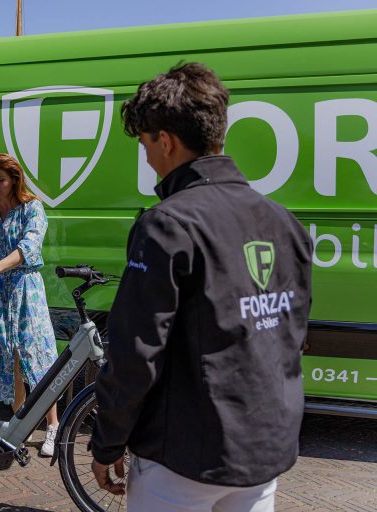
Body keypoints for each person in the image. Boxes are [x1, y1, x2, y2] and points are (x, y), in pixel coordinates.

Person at [90, 63, 313, 511]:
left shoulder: (167, 224)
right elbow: (290, 337)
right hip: (262, 451)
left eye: (145, 145)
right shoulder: (283, 221)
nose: (147, 159)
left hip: (182, 458)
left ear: (166, 141)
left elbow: (136, 353)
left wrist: (107, 441)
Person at [0, 153, 60, 457]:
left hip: (25, 289)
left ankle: (53, 425)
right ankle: (20, 424)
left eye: (1, 180)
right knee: (9, 357)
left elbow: (29, 247)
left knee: (37, 355)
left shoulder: (32, 208)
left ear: (14, 180)